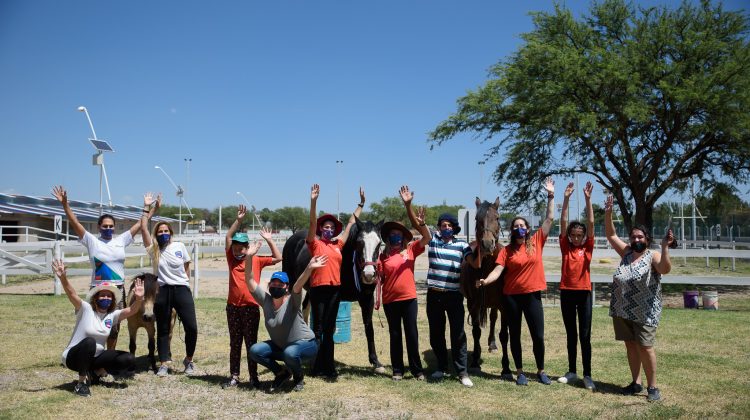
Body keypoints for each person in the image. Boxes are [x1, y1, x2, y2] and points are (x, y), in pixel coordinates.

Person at [52, 185, 158, 350]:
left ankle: (108, 358)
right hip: (98, 289)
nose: (108, 228)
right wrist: (65, 204)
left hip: (117, 289)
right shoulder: (91, 240)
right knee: (92, 325)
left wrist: (150, 208)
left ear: (114, 227)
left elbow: (140, 224)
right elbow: (74, 221)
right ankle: (90, 356)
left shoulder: (121, 240)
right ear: (98, 227)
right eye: (105, 226)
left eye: (111, 226)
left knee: (113, 327)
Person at [477, 177, 556, 386]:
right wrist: (486, 281)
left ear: (528, 228)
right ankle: (519, 371)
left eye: (522, 226)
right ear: (511, 230)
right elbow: (498, 269)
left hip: (532, 296)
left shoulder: (536, 242)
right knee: (515, 335)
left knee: (538, 335)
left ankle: (540, 370)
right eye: (515, 226)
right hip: (512, 297)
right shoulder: (506, 250)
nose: (519, 229)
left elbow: (549, 219)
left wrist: (551, 195)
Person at [604, 194, 673, 402]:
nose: (636, 240)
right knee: (630, 345)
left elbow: (665, 269)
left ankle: (652, 387)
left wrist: (665, 247)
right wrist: (608, 213)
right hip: (622, 309)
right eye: (633, 237)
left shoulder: (652, 255)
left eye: (640, 237)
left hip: (645, 311)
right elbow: (611, 234)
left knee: (645, 346)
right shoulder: (626, 252)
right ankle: (636, 383)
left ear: (647, 239)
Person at [53, 258, 145, 397]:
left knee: (128, 359)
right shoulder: (85, 308)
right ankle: (81, 383)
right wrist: (63, 278)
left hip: (95, 358)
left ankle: (94, 373)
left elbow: (131, 311)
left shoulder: (112, 315)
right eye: (103, 295)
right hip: (73, 357)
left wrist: (138, 299)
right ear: (96, 298)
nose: (106, 298)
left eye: (109, 296)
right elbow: (72, 294)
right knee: (90, 342)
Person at [305, 183, 365, 379]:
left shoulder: (338, 244)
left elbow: (349, 224)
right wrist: (313, 202)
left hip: (334, 291)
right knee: (318, 330)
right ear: (321, 229)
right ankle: (316, 366)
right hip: (318, 290)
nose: (329, 229)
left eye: (331, 227)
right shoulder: (314, 244)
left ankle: (329, 367)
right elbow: (312, 223)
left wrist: (360, 205)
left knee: (329, 331)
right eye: (326, 227)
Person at [245, 241, 321, 392]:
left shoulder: (292, 301)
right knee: (255, 350)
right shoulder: (265, 300)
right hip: (283, 346)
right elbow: (249, 279)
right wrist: (249, 257)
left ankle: (298, 377)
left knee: (290, 353)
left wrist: (308, 269)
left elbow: (298, 285)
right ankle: (282, 372)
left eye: (281, 284)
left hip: (306, 344)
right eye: (274, 283)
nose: (276, 286)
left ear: (287, 287)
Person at [222, 204, 282, 389]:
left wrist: (270, 240)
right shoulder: (231, 259)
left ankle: (253, 377)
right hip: (233, 307)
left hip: (250, 308)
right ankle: (234, 376)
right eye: (236, 248)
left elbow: (278, 257)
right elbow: (228, 237)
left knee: (251, 344)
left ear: (248, 248)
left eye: (242, 248)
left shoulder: (256, 259)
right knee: (235, 343)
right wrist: (238, 220)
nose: (238, 251)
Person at [140, 193, 198, 377]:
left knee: (192, 327)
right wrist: (146, 207)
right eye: (160, 231)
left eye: (166, 231)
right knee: (163, 329)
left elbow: (186, 266)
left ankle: (188, 360)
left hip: (181, 289)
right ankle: (164, 362)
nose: (163, 233)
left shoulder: (179, 246)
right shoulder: (154, 250)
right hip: (162, 291)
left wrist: (185, 282)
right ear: (156, 234)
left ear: (171, 233)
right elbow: (143, 227)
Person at [376, 185, 431, 381]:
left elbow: (427, 237)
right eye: (392, 233)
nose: (396, 236)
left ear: (403, 236)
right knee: (395, 335)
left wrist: (410, 208)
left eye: (399, 233)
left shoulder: (411, 250)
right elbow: (378, 278)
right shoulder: (382, 256)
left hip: (409, 299)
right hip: (390, 301)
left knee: (411, 334)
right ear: (388, 237)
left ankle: (417, 370)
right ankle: (397, 369)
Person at [425, 205, 477, 387]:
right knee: (436, 334)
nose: (446, 228)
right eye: (443, 225)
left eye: (449, 225)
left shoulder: (462, 245)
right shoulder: (432, 240)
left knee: (458, 334)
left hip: (454, 297)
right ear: (439, 227)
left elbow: (474, 264)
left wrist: (483, 243)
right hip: (434, 296)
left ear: (454, 228)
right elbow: (419, 226)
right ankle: (441, 367)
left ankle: (462, 372)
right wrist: (408, 205)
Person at [557, 181, 596, 390]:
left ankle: (587, 375)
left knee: (585, 335)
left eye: (579, 235)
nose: (576, 238)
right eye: (573, 235)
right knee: (571, 334)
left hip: (584, 295)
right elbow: (563, 221)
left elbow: (590, 222)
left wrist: (588, 199)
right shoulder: (565, 246)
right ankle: (572, 371)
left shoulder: (588, 246)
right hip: (566, 294)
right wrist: (566, 198)